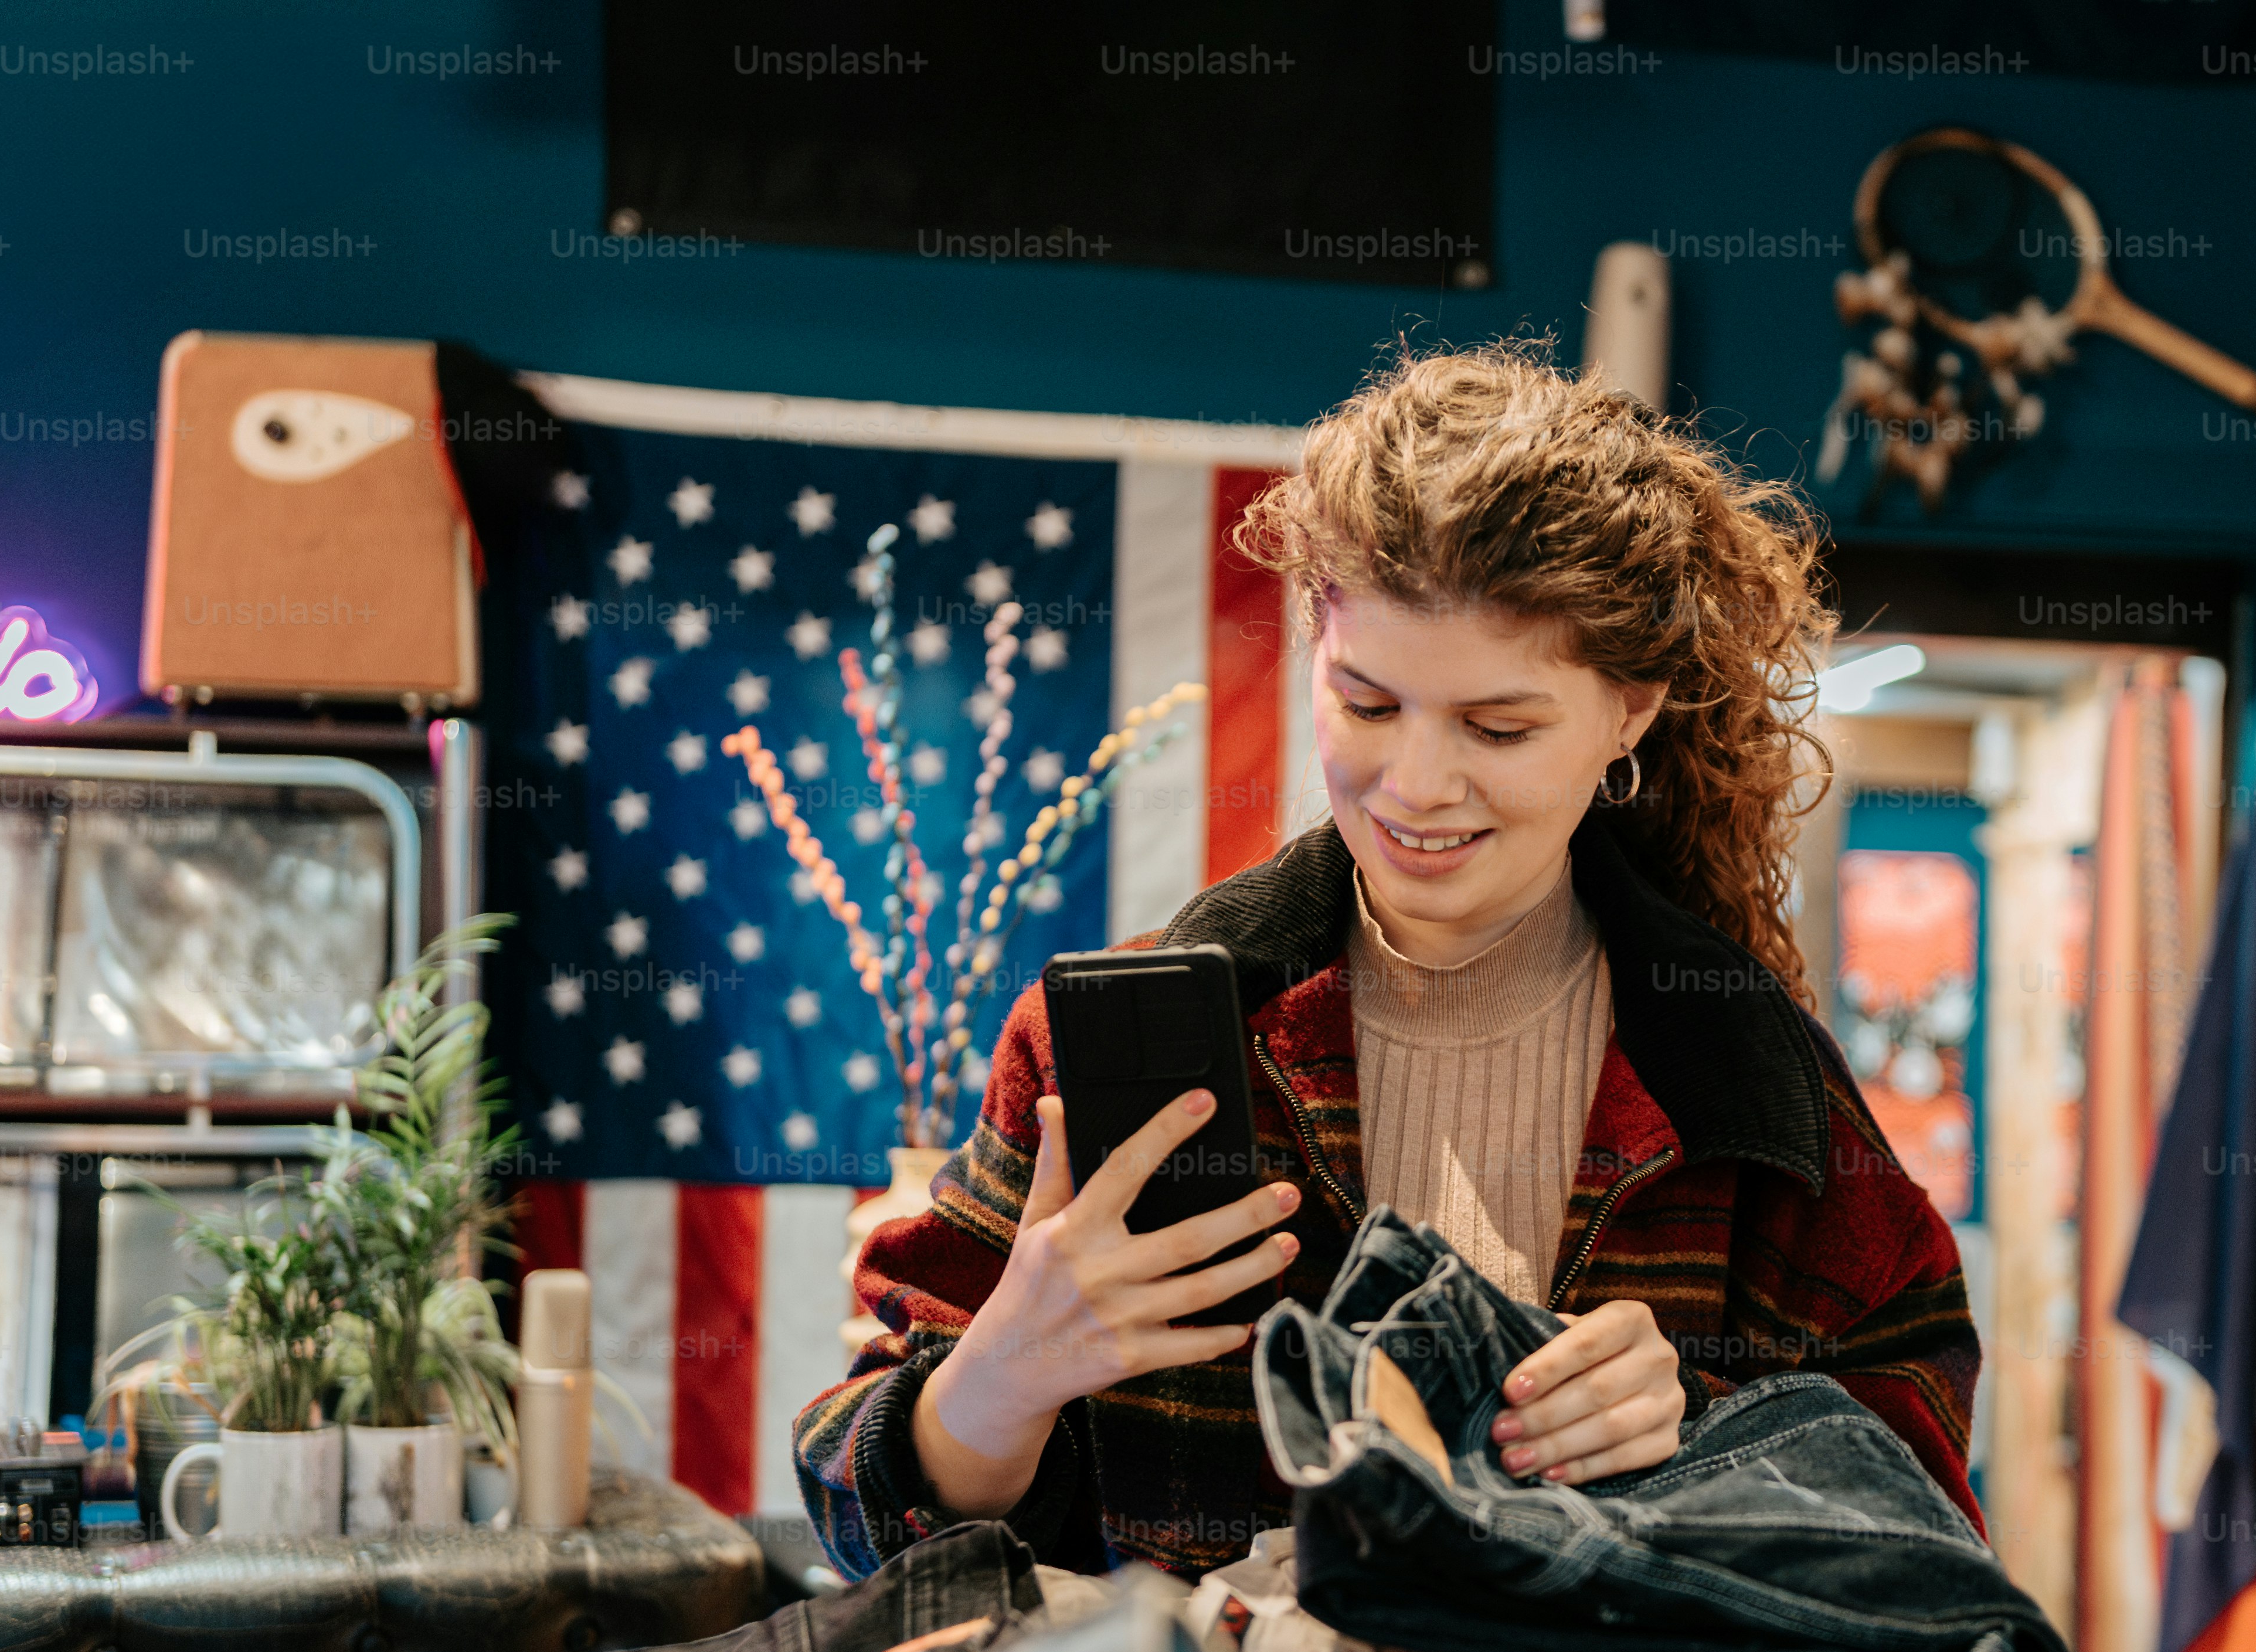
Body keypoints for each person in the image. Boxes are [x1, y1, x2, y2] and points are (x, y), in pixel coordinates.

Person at [796, 345, 1980, 1582]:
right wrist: (1006, 1376)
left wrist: (1707, 1430)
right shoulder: (1106, 1043)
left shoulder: (1748, 1084)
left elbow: (1927, 1530)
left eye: (1498, 726)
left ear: (1629, 712)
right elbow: (862, 1520)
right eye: (1368, 706)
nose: (1415, 786)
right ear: (1314, 643)